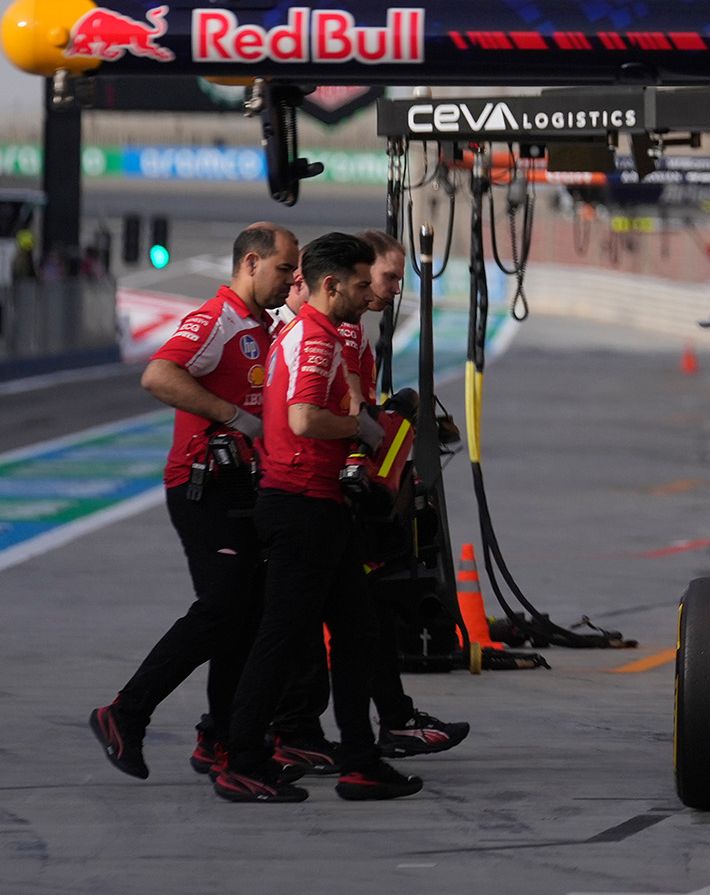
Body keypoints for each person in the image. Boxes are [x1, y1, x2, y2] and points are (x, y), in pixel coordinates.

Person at [213, 233, 423, 803]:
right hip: (300, 504)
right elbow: (304, 419)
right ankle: (242, 758)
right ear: (332, 285)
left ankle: (360, 761)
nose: (366, 294)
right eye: (360, 283)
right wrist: (362, 427)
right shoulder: (315, 338)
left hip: (316, 504)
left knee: (357, 634)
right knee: (280, 638)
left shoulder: (315, 332)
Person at [87, 223, 299, 780]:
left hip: (242, 487)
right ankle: (125, 713)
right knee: (223, 607)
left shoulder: (261, 324)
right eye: (284, 269)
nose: (290, 279)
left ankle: (220, 738)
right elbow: (158, 375)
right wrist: (231, 416)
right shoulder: (218, 318)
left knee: (245, 614)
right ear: (252, 263)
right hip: (202, 485)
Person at [267, 231, 470, 775]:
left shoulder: (345, 328)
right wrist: (373, 432)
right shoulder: (317, 331)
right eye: (383, 279)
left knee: (357, 617)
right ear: (346, 280)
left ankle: (361, 737)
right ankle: (268, 734)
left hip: (328, 492)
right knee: (287, 626)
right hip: (301, 491)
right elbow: (311, 416)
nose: (392, 290)